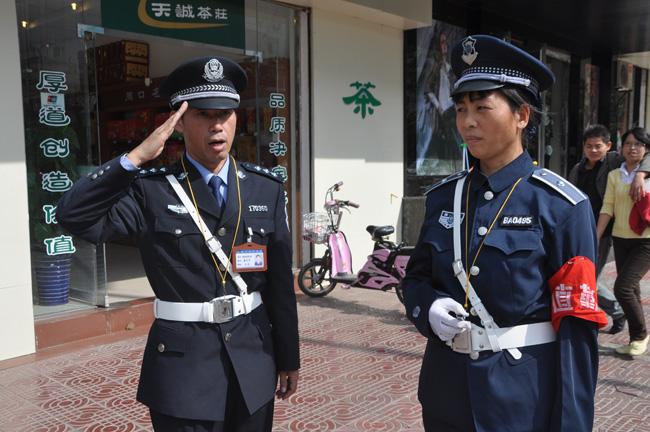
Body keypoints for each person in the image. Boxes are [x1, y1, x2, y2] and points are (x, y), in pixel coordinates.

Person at [57, 56, 300, 431]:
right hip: (183, 372)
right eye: (203, 114)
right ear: (179, 122)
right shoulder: (151, 191)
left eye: (225, 114)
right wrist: (134, 158)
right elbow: (73, 216)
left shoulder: (264, 188)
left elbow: (280, 285)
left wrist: (288, 357)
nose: (217, 125)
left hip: (253, 361)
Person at [403, 35, 608, 432]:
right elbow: (415, 279)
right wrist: (427, 307)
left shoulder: (562, 206)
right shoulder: (444, 198)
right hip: (445, 395)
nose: (468, 122)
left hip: (521, 402)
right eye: (461, 109)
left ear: (522, 115)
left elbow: (577, 327)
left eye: (482, 108)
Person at [568, 124, 650, 334]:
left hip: (604, 231)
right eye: (589, 146)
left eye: (598, 146)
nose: (593, 150)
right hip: (581, 229)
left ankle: (618, 313)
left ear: (609, 146)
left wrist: (640, 174)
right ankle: (622, 316)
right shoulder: (577, 170)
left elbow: (644, 155)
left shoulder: (614, 161)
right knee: (585, 276)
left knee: (589, 277)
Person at [597, 127, 650, 357]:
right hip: (620, 239)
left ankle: (640, 335)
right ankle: (634, 339)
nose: (632, 148)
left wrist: (641, 175)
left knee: (623, 287)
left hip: (645, 241)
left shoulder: (648, 173)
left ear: (646, 149)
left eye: (638, 144)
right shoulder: (614, 176)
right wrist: (596, 235)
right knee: (633, 290)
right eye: (628, 144)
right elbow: (607, 207)